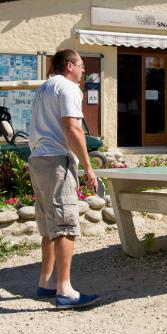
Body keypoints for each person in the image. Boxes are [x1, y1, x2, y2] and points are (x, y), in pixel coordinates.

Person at [28, 49, 99, 309]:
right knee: (66, 225)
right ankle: (65, 290)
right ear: (69, 66)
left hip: (38, 159)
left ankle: (46, 283)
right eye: (81, 66)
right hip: (56, 160)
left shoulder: (44, 88)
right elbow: (73, 128)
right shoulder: (68, 88)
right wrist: (88, 167)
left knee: (49, 226)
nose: (84, 71)